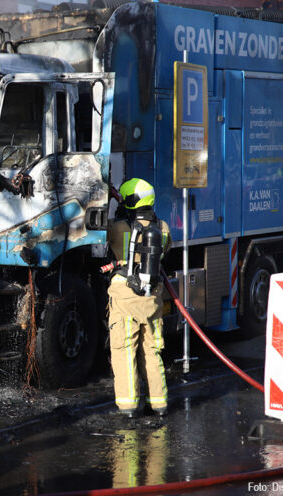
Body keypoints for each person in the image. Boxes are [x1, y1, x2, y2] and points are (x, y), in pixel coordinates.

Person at [107, 178, 171, 418]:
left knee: (124, 351)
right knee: (152, 352)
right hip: (152, 297)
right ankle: (159, 404)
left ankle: (128, 407)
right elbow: (165, 250)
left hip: (125, 297)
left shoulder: (117, 228)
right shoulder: (163, 228)